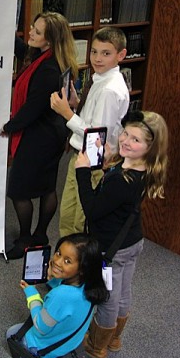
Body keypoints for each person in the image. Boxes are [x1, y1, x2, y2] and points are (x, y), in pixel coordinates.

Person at [75, 110, 168, 358]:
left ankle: (97, 345)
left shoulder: (121, 182)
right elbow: (120, 181)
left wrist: (82, 171)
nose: (126, 141)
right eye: (126, 133)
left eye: (135, 140)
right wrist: (110, 161)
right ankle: (114, 338)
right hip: (131, 241)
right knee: (124, 291)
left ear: (150, 147)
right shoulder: (143, 167)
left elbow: (93, 209)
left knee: (107, 297)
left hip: (110, 248)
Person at [0, 12, 79, 260]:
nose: (31, 33)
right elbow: (23, 48)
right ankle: (41, 235)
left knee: (18, 190)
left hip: (41, 137)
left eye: (37, 32)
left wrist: (9, 126)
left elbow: (32, 108)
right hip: (54, 131)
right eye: (32, 27)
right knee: (47, 186)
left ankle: (26, 239)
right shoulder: (47, 56)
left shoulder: (48, 68)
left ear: (49, 40)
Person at [50, 26, 130, 237]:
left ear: (121, 55)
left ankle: (78, 265)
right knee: (68, 215)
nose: (97, 58)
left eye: (106, 53)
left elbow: (97, 137)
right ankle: (67, 259)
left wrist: (67, 113)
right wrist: (76, 105)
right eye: (94, 51)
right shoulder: (99, 79)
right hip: (81, 157)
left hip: (93, 161)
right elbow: (93, 119)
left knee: (80, 221)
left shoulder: (109, 90)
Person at [6, 233, 109, 358]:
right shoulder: (89, 284)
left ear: (82, 268)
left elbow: (40, 327)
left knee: (11, 333)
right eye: (59, 253)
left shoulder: (60, 296)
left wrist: (32, 294)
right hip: (69, 343)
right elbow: (64, 289)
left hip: (45, 349)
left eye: (67, 261)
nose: (57, 261)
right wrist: (51, 277)